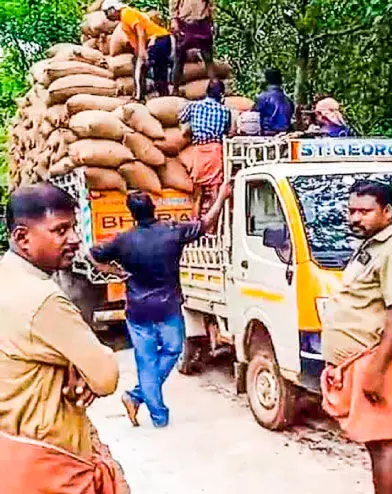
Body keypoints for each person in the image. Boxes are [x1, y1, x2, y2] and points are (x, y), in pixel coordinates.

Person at [0, 184, 123, 492]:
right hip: (50, 463)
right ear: (22, 238)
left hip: (13, 455)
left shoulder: (6, 277)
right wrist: (81, 362)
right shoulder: (44, 300)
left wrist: (72, 361)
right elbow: (105, 376)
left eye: (73, 227)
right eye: (60, 230)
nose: (74, 239)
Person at [88, 181, 232, 429]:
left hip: (138, 310)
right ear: (153, 208)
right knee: (172, 350)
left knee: (146, 361)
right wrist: (222, 195)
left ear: (131, 214)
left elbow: (92, 253)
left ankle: (141, 400)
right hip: (168, 307)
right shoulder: (172, 232)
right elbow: (207, 223)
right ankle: (153, 411)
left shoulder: (123, 241)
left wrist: (111, 270)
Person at [320, 180, 392, 494]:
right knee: (380, 441)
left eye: (365, 211)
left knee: (385, 442)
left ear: (387, 211)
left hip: (380, 358)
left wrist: (376, 371)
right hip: (364, 358)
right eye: (351, 210)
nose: (355, 217)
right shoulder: (375, 243)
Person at [179, 79, 231, 228]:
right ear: (221, 94)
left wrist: (188, 129)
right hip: (215, 149)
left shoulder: (193, 106)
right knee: (215, 189)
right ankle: (214, 227)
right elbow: (227, 131)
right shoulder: (225, 111)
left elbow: (181, 119)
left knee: (198, 192)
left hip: (199, 150)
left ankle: (195, 226)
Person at [103, 0, 173, 99]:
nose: (108, 17)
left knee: (139, 67)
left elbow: (140, 30)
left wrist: (142, 50)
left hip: (156, 39)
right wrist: (138, 51)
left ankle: (139, 96)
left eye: (107, 13)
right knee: (158, 69)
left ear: (113, 9)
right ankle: (163, 96)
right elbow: (135, 41)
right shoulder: (125, 19)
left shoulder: (126, 13)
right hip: (162, 38)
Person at [170, 0, 214, 96]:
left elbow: (211, 3)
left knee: (208, 57)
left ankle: (214, 86)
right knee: (179, 58)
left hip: (202, 21)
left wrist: (212, 20)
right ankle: (175, 89)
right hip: (185, 21)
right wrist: (174, 20)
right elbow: (173, 2)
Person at [254, 69, 294, 135]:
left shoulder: (263, 97)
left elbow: (256, 114)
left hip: (268, 132)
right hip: (285, 133)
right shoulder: (287, 99)